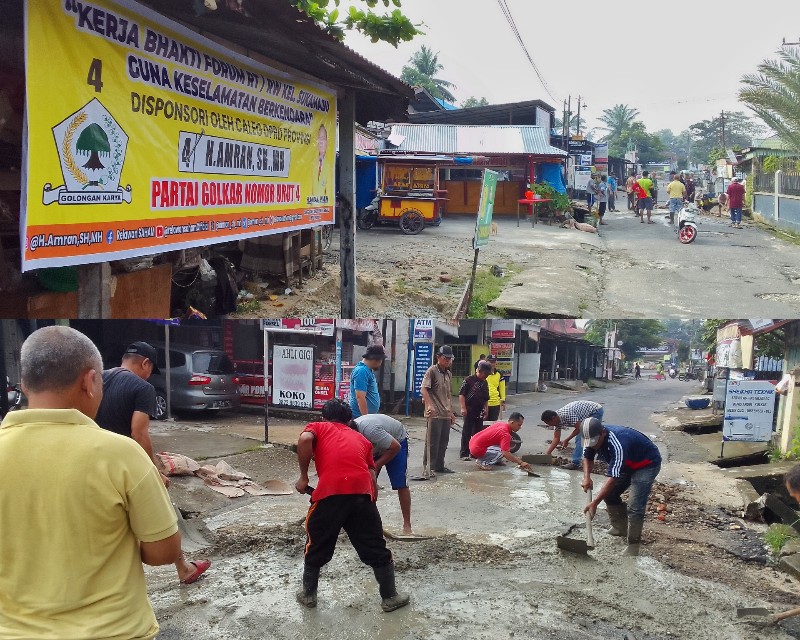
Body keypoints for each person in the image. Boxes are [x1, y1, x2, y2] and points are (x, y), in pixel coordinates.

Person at [0, 326, 181, 639]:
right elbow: (164, 553)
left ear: (24, 385)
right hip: (114, 631)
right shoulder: (123, 455)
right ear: (90, 381)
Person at [95, 341, 211, 585]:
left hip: (93, 463)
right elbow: (139, 433)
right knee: (160, 513)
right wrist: (154, 471)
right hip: (124, 465)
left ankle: (183, 568)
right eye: (150, 369)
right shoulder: (142, 387)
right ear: (145, 364)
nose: (149, 375)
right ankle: (183, 568)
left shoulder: (97, 380)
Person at [295, 399, 410, 612]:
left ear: (324, 418)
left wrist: (303, 478)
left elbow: (304, 439)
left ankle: (309, 595)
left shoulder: (318, 427)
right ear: (349, 420)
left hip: (330, 496)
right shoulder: (362, 439)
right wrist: (369, 507)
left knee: (316, 544)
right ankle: (390, 597)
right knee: (375, 546)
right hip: (362, 497)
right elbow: (371, 474)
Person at [580, 418, 662, 556]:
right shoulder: (591, 438)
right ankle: (620, 528)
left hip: (645, 464)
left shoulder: (618, 442)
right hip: (627, 464)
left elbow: (614, 478)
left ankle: (633, 546)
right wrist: (587, 477)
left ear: (602, 433)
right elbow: (587, 457)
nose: (593, 446)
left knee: (635, 507)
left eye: (595, 443)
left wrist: (595, 503)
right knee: (610, 495)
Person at [351, 413, 413, 534]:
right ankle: (372, 522)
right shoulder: (351, 436)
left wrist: (375, 466)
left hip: (396, 442)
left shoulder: (371, 430)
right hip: (376, 447)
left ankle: (407, 524)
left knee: (400, 483)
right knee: (368, 484)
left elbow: (395, 447)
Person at [420, 345, 457, 474]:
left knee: (443, 442)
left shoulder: (448, 374)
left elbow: (448, 395)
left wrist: (451, 412)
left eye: (449, 359)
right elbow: (424, 389)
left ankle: (439, 466)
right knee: (432, 442)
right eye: (445, 358)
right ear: (438, 357)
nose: (448, 361)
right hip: (435, 413)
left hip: (445, 413)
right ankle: (428, 467)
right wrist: (430, 405)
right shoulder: (432, 371)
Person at [541, 400, 604, 470]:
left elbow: (579, 428)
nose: (548, 425)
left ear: (553, 418)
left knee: (580, 437)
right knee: (591, 434)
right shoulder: (557, 421)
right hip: (583, 415)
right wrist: (547, 454)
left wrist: (567, 440)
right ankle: (600, 455)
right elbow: (556, 438)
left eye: (548, 423)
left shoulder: (566, 415)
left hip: (594, 410)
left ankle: (575, 463)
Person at [458, 360, 491, 460]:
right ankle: (464, 454)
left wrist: (486, 409)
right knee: (467, 432)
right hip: (469, 410)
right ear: (479, 371)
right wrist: (463, 407)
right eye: (485, 374)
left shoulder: (485, 382)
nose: (486, 376)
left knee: (478, 433)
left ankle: (474, 453)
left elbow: (486, 398)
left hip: (479, 411)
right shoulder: (469, 380)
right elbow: (462, 395)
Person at [350, 344, 385, 419]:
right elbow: (360, 397)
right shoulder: (362, 371)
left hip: (363, 416)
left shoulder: (367, 370)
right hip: (359, 417)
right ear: (375, 359)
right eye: (381, 360)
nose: (380, 363)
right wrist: (366, 419)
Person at [485, 355, 506, 421]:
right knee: (482, 425)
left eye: (494, 362)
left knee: (492, 424)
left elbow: (502, 388)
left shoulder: (499, 374)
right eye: (490, 362)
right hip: (483, 403)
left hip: (495, 403)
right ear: (486, 362)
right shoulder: (482, 373)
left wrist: (503, 400)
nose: (492, 364)